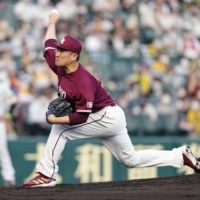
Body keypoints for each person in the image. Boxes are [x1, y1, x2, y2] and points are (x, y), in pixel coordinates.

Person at [23, 10, 200, 187]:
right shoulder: (60, 63)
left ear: (74, 56)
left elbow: (82, 117)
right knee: (130, 160)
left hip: (104, 117)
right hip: (109, 115)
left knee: (60, 128)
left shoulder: (82, 81)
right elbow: (49, 44)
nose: (58, 53)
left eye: (63, 51)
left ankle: (47, 175)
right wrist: (52, 22)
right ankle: (179, 156)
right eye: (59, 49)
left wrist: (55, 119)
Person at [0, 81, 16, 186]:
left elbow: (13, 102)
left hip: (0, 121)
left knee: (2, 149)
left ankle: (9, 177)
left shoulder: (3, 86)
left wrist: (8, 116)